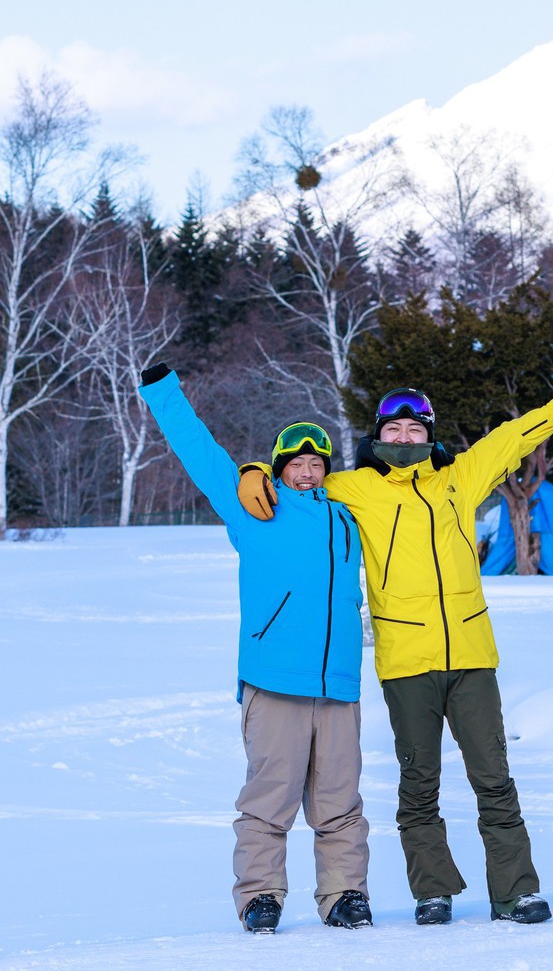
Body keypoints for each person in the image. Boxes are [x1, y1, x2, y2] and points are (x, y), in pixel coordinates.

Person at [238, 376, 553, 925]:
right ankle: (433, 890)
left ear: (429, 434)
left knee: (493, 777)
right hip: (405, 661)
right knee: (419, 783)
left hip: (471, 655)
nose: (404, 436)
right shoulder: (354, 488)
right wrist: (253, 471)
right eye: (394, 428)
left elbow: (510, 439)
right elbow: (298, 482)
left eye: (415, 427)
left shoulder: (460, 479)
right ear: (378, 437)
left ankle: (516, 891)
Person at [138, 363, 372, 934]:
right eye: (298, 463)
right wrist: (164, 392)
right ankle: (260, 896)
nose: (309, 472)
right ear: (279, 467)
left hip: (338, 683)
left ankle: (344, 895)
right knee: (270, 797)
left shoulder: (346, 517)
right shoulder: (254, 507)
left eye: (318, 463)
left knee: (341, 800)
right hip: (275, 679)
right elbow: (202, 453)